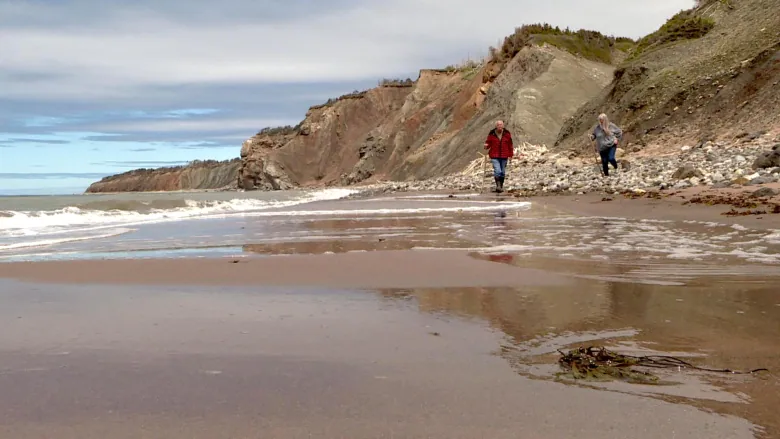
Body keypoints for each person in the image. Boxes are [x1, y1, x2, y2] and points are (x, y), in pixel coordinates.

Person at [483, 120, 514, 192]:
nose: (499, 126)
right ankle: (498, 186)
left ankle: (501, 186)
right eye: (498, 125)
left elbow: (510, 145)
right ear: (496, 126)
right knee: (498, 170)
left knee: (502, 172)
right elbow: (488, 143)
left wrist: (511, 155)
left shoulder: (507, 134)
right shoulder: (492, 134)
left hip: (504, 155)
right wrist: (486, 146)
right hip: (494, 155)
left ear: (503, 126)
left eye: (501, 125)